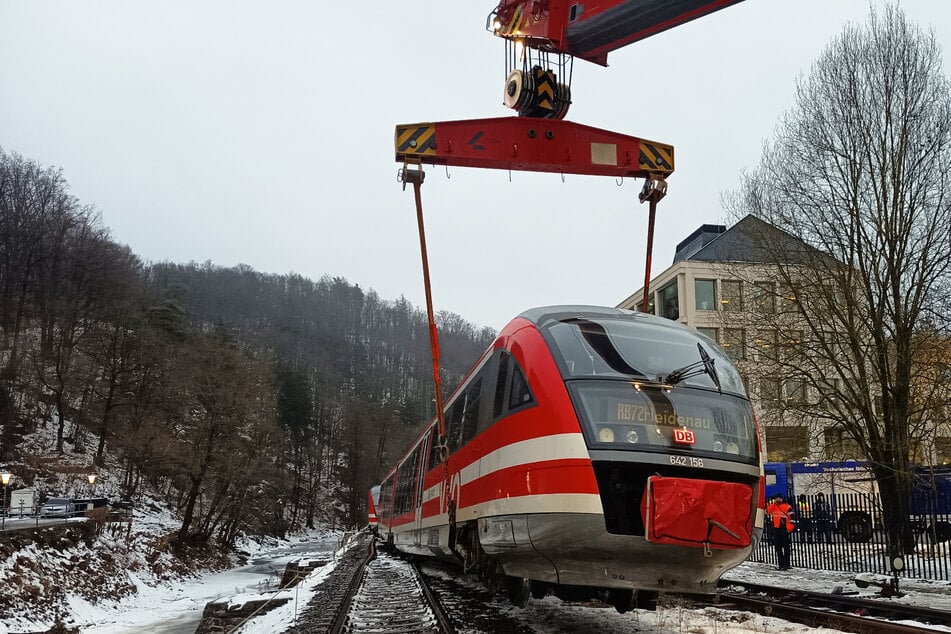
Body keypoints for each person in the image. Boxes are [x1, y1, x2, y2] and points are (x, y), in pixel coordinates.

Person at [766, 494, 796, 570]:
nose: (778, 499)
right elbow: (767, 511)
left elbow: (792, 519)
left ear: (782, 499)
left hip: (783, 529)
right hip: (776, 529)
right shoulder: (774, 506)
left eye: (779, 498)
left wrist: (788, 529)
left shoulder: (787, 507)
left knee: (786, 547)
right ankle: (781, 564)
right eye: (777, 498)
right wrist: (773, 504)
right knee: (778, 548)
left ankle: (786, 564)